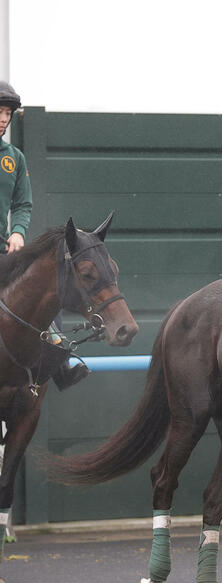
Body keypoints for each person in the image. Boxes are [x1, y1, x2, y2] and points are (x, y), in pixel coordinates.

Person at [0, 81, 88, 390]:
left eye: (7, 113)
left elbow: (23, 203)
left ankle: (61, 366)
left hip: (4, 251)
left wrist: (18, 232)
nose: (2, 118)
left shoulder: (14, 159)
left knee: (48, 290)